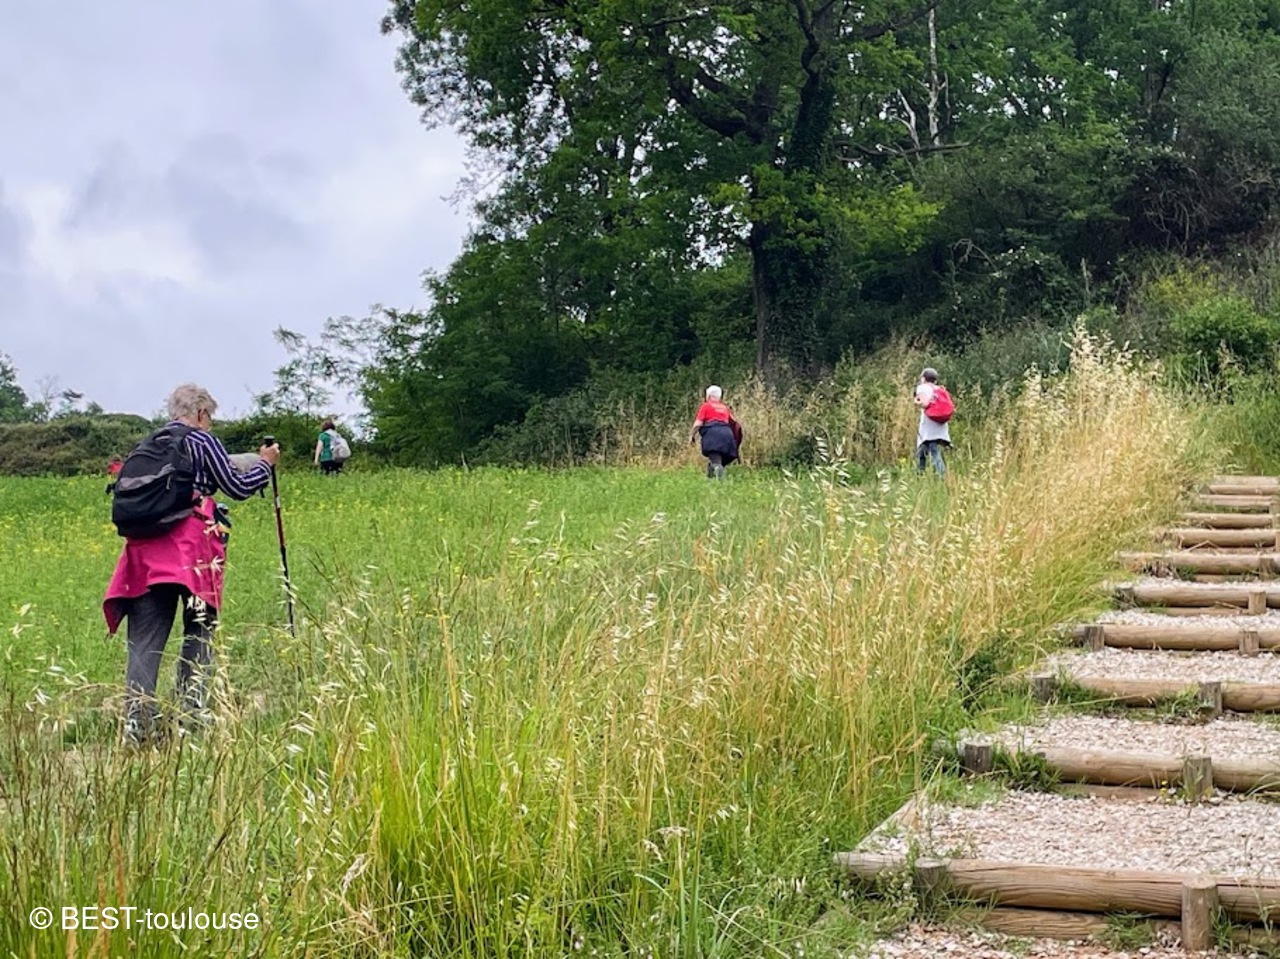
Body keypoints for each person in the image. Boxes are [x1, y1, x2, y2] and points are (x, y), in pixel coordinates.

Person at [103, 384, 280, 745]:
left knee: (145, 639)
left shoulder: (149, 443)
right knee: (199, 627)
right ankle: (190, 717)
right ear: (200, 413)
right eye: (209, 416)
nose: (209, 422)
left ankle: (138, 726)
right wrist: (265, 464)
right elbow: (237, 487)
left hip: (144, 553)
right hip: (190, 548)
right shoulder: (201, 440)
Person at [689, 385, 741, 479]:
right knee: (717, 461)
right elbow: (734, 423)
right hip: (727, 435)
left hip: (713, 435)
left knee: (716, 461)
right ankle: (711, 479)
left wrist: (692, 436)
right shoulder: (724, 408)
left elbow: (698, 424)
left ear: (708, 395)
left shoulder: (706, 406)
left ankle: (719, 481)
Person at [913, 367, 951, 476]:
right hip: (940, 425)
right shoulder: (940, 389)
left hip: (929, 426)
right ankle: (920, 475)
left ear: (924, 378)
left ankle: (941, 476)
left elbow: (924, 403)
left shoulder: (922, 388)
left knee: (934, 453)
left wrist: (916, 401)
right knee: (922, 452)